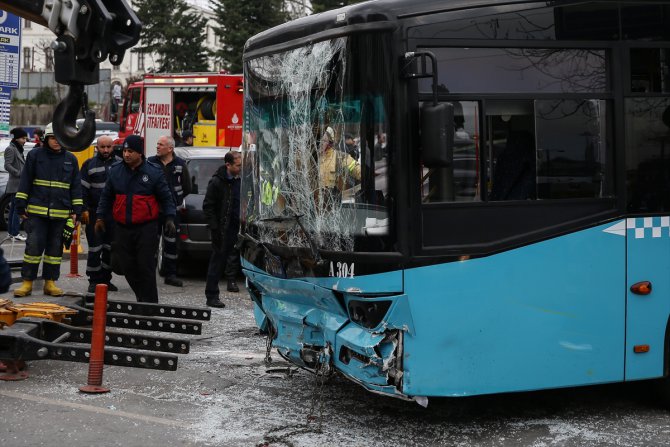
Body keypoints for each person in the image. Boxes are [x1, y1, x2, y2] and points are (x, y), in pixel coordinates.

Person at [96, 135, 176, 303]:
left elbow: (166, 197)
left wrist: (170, 218)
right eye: (124, 151)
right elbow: (106, 196)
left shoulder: (153, 172)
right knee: (124, 265)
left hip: (146, 228)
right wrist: (100, 217)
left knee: (145, 266)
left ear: (139, 153)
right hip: (122, 228)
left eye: (130, 151)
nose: (126, 154)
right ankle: (143, 297)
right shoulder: (116, 171)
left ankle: (149, 303)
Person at [13, 123, 83, 297]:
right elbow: (25, 180)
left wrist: (77, 210)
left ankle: (50, 283)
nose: (57, 141)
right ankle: (27, 282)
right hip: (37, 213)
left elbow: (75, 187)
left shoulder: (71, 159)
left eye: (60, 138)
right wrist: (20, 204)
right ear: (46, 138)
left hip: (61, 213)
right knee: (33, 248)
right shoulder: (35, 156)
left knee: (54, 250)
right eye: (53, 138)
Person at [147, 135, 192, 287]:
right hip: (153, 211)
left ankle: (170, 275)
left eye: (161, 144)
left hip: (173, 212)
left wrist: (176, 201)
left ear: (170, 148)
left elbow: (187, 187)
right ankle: (148, 275)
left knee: (171, 243)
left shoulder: (180, 164)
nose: (157, 147)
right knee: (151, 242)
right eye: (157, 144)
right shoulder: (150, 162)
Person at [202, 151, 242, 308]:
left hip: (236, 227)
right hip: (221, 229)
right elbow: (208, 207)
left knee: (231, 259)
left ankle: (231, 282)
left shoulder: (238, 181)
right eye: (238, 165)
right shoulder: (217, 182)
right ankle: (211, 295)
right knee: (217, 262)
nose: (240, 168)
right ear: (228, 165)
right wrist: (215, 228)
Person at [81, 135, 119, 294]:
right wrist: (82, 209)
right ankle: (94, 280)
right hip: (94, 213)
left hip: (114, 214)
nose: (105, 150)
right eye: (102, 147)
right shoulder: (88, 165)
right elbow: (81, 189)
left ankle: (105, 279)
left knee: (110, 248)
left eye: (108, 147)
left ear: (113, 147)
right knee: (95, 248)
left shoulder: (120, 164)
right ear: (97, 147)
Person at [319, 126, 361, 193]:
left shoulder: (339, 157)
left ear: (330, 142)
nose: (319, 143)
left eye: (323, 140)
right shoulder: (308, 159)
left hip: (334, 201)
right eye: (317, 140)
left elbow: (357, 170)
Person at [4, 127, 28, 241]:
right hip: (15, 184)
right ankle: (15, 233)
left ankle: (11, 232)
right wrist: (19, 173)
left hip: (19, 184)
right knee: (17, 209)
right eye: (23, 138)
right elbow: (7, 165)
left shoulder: (19, 149)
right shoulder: (11, 149)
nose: (25, 140)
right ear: (17, 138)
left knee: (14, 208)